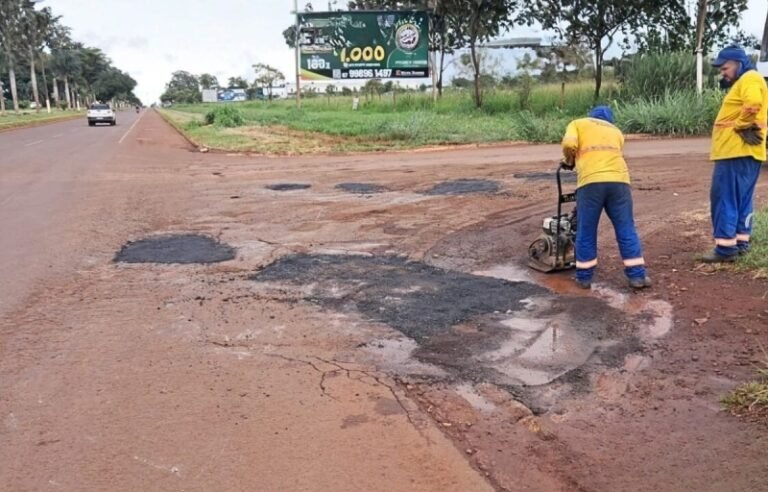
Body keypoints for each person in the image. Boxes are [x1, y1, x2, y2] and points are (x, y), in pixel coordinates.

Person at [561, 106, 651, 290]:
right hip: (620, 182)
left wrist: (569, 162)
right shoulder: (616, 131)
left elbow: (569, 145)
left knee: (586, 229)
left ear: (591, 116)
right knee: (626, 228)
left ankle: (584, 278)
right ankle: (637, 276)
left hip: (591, 182)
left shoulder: (578, 123)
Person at [703, 45, 767, 262]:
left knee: (725, 198)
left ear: (739, 64)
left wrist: (741, 125)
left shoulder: (749, 79)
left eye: (725, 68)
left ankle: (725, 249)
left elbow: (753, 105)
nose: (723, 72)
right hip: (747, 152)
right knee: (742, 199)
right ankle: (741, 242)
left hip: (734, 151)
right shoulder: (751, 79)